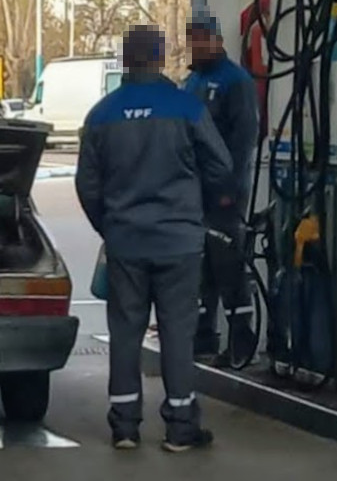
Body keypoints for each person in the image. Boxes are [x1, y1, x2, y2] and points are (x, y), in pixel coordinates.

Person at [75, 24, 233, 452]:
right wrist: (196, 210)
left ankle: (125, 427)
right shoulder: (186, 107)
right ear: (160, 57)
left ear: (125, 60)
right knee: (177, 332)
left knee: (126, 332)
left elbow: (87, 186)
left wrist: (110, 226)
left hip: (126, 242)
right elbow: (221, 165)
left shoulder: (101, 114)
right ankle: (181, 428)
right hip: (179, 243)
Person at [183, 6, 261, 368]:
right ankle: (203, 337)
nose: (196, 45)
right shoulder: (194, 81)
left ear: (217, 39)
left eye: (202, 38)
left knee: (228, 265)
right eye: (191, 38)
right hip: (196, 191)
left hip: (224, 192)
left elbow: (244, 138)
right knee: (202, 268)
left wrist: (229, 187)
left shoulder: (235, 82)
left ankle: (241, 341)